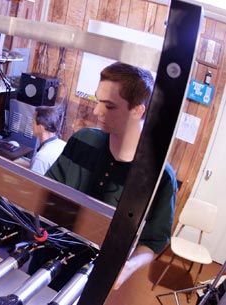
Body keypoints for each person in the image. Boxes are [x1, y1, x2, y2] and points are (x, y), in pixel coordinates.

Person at [41, 62, 177, 289]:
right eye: (97, 101)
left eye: (109, 106)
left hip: (92, 274)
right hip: (48, 253)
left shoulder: (160, 177)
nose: (96, 112)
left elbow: (154, 240)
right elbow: (48, 191)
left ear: (138, 110)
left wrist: (128, 268)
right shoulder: (83, 140)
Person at [29, 106, 66, 175]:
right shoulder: (63, 144)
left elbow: (31, 184)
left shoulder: (40, 158)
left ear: (41, 127)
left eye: (33, 122)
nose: (31, 125)